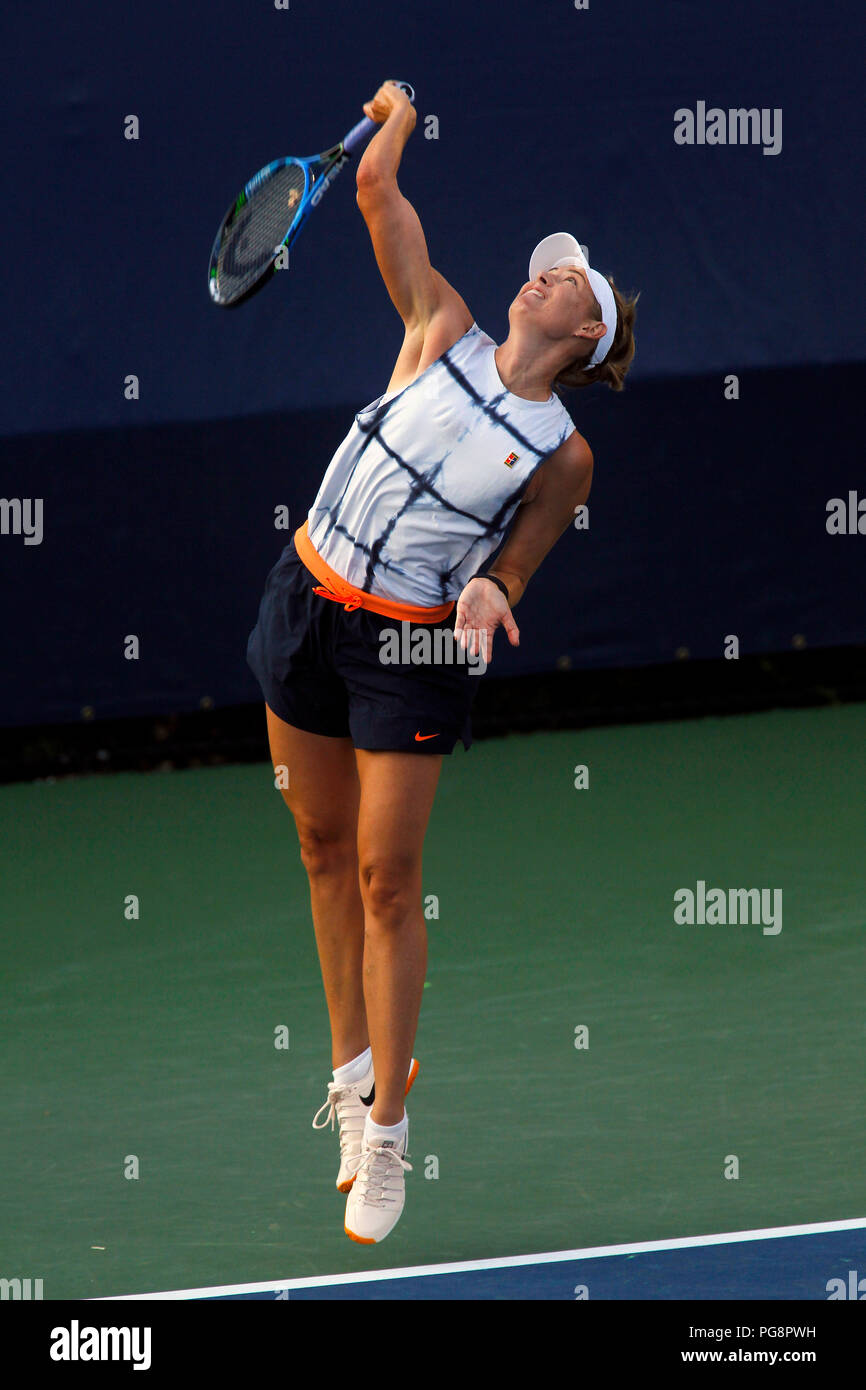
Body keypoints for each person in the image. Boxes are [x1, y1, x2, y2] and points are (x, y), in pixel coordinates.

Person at [246, 79, 639, 1244]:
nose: (543, 276)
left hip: (405, 650)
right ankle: (352, 1073)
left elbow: (516, 564)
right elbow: (373, 188)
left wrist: (490, 587)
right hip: (307, 597)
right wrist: (397, 111)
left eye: (565, 282)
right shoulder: (438, 324)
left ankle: (390, 1136)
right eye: (547, 267)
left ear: (585, 334)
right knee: (319, 848)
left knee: (382, 878)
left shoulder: (559, 455)